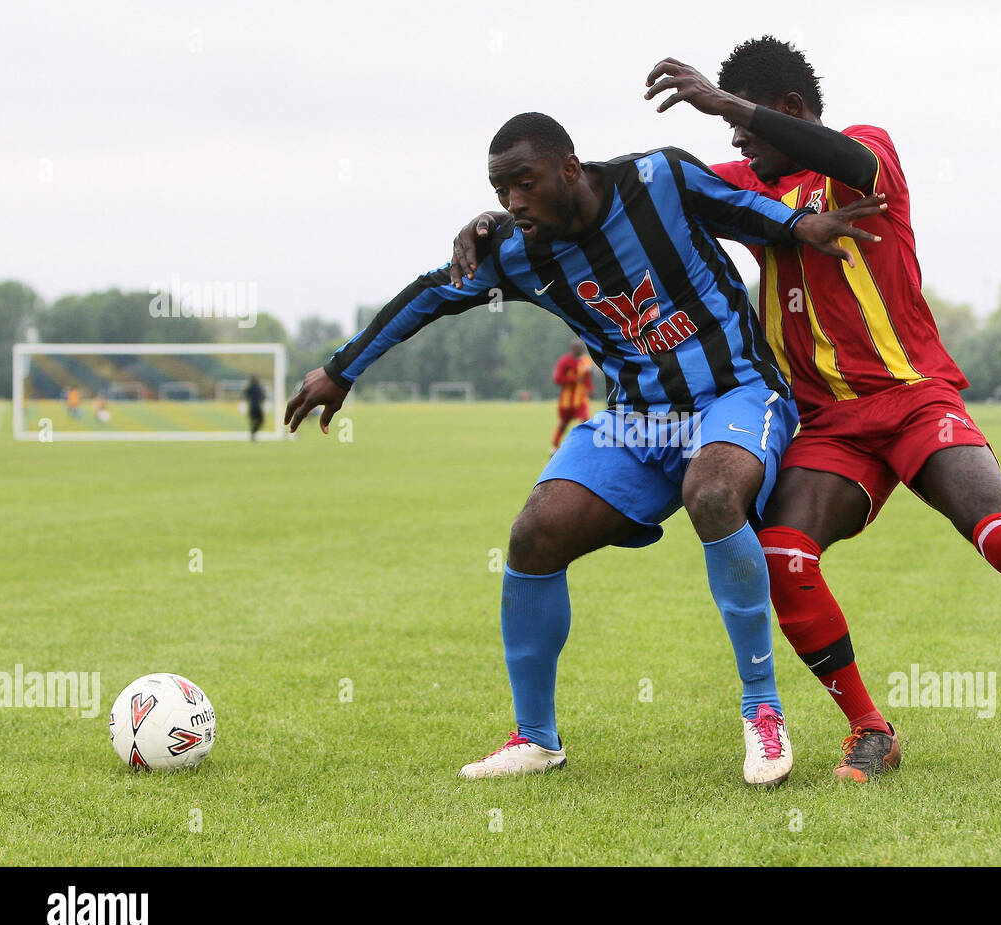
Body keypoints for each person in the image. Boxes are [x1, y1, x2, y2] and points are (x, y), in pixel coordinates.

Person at [632, 39, 1001, 778]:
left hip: (912, 398)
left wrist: (724, 99)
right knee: (782, 552)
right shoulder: (749, 185)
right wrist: (507, 223)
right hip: (830, 424)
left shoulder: (864, 150)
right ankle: (871, 730)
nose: (737, 142)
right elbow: (637, 197)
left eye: (745, 128)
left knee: (1000, 534)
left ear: (791, 111)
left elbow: (852, 162)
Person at [286, 112, 880, 786]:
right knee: (535, 534)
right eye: (500, 188)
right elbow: (431, 294)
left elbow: (749, 210)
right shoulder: (516, 251)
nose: (514, 200)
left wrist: (804, 225)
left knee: (713, 493)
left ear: (569, 168)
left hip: (737, 394)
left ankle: (762, 710)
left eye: (526, 181)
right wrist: (342, 370)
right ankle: (535, 738)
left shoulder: (659, 177)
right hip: (639, 420)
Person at [551, 340, 593, 453]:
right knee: (563, 425)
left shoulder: (585, 361)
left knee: (585, 422)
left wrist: (590, 389)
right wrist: (574, 379)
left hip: (581, 400)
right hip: (566, 401)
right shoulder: (564, 361)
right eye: (579, 348)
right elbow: (557, 379)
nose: (582, 350)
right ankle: (554, 448)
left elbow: (588, 377)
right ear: (573, 349)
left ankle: (585, 448)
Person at [244, 376, 266, 441]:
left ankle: (253, 434)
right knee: (261, 420)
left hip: (251, 407)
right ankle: (254, 433)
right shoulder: (258, 387)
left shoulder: (249, 387)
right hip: (257, 407)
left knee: (252, 421)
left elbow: (245, 395)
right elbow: (263, 397)